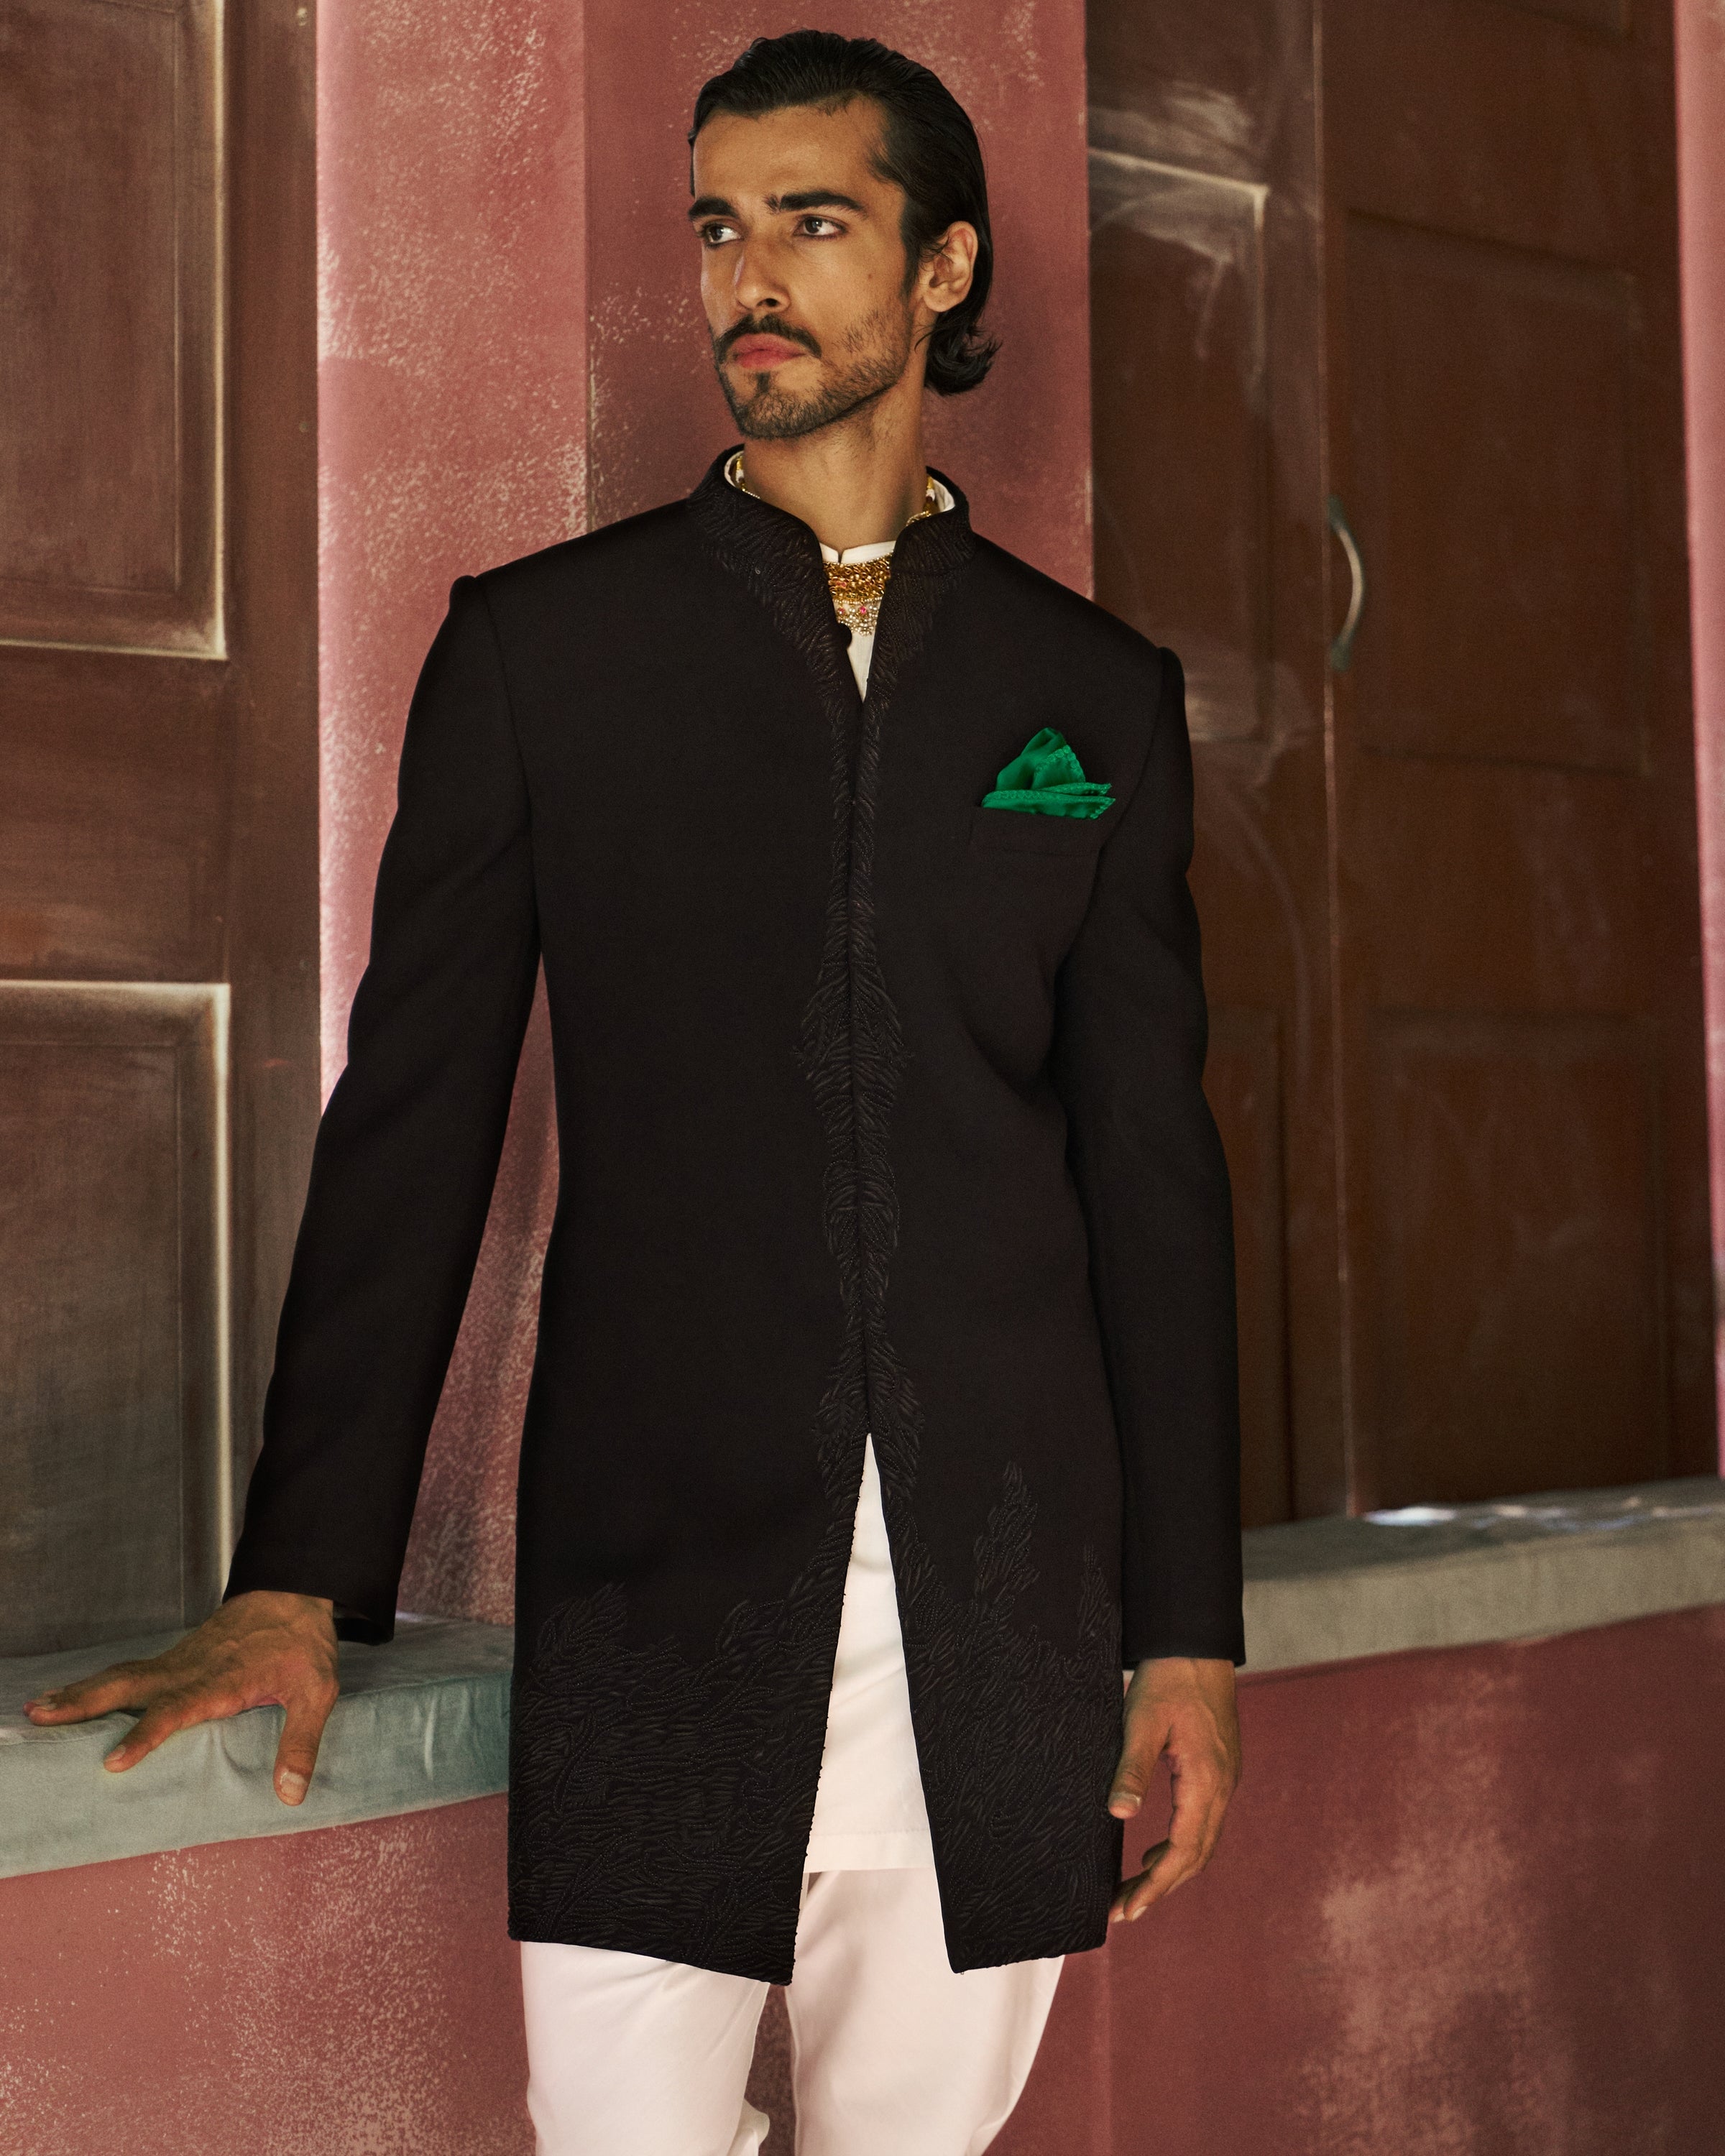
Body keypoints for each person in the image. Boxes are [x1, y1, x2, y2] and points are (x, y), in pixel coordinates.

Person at [27, 32, 1245, 2156]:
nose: (744, 277)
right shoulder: (545, 656)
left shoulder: (1091, 701)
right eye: (717, 226)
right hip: (659, 1599)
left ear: (944, 268)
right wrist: (299, 1574)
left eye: (813, 222)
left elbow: (1154, 1182)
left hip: (997, 1621)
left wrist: (1187, 1639)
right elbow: (412, 1122)